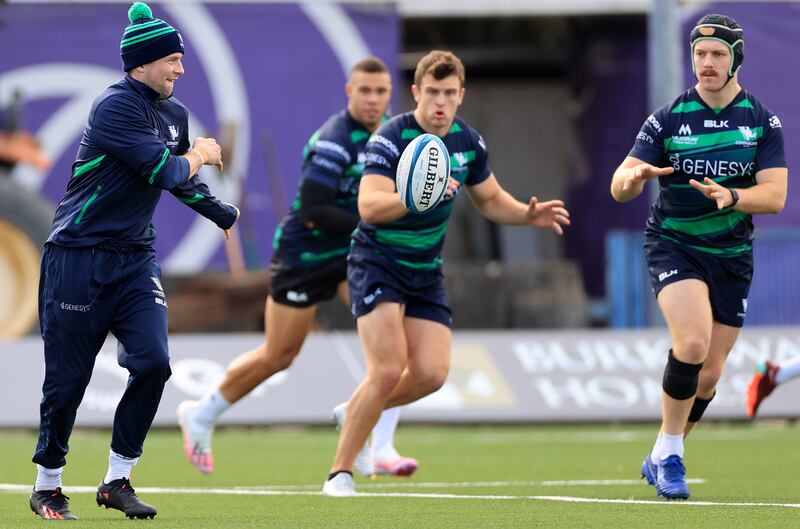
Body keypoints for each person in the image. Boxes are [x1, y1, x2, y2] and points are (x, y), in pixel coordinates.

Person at [322, 50, 571, 496]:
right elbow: (370, 206)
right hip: (378, 260)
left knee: (432, 374)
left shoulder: (467, 142)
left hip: (424, 269)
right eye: (432, 92)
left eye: (449, 93)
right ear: (416, 92)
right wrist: (418, 195)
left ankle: (357, 409)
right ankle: (339, 473)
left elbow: (491, 200)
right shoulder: (390, 137)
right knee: (386, 369)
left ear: (461, 95)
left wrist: (525, 214)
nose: (440, 102)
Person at [29, 2, 238, 520]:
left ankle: (116, 479)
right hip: (77, 257)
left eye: (182, 59)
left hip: (134, 260)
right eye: (172, 59)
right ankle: (47, 485)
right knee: (67, 382)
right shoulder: (114, 107)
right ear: (141, 63)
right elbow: (166, 172)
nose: (181, 69)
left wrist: (221, 212)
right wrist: (204, 154)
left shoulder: (175, 114)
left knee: (154, 364)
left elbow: (180, 179)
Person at [177, 56, 419, 478]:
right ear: (349, 91)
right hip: (305, 255)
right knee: (278, 354)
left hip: (355, 257)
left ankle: (380, 444)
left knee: (391, 347)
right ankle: (201, 412)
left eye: (382, 91)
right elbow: (313, 210)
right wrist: (375, 218)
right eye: (365, 90)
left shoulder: (396, 138)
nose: (374, 99)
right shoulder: (334, 140)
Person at [611, 14, 787, 500]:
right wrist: (634, 177)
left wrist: (732, 197)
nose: (706, 63)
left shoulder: (760, 121)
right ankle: (672, 456)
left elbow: (774, 197)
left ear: (736, 59)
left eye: (717, 54)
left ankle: (662, 450)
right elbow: (619, 185)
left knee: (708, 375)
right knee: (690, 345)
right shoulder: (667, 118)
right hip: (675, 243)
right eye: (699, 54)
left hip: (731, 254)